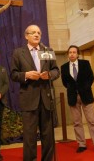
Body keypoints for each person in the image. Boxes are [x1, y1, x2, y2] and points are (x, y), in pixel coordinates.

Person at [10, 25, 60, 161]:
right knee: (29, 137)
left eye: (39, 32)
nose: (37, 35)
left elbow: (56, 70)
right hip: (28, 99)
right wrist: (26, 75)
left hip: (46, 99)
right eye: (33, 33)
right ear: (26, 36)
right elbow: (13, 74)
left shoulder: (48, 50)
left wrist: (49, 74)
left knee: (48, 136)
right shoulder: (18, 52)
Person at [60, 45, 94, 155]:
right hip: (73, 97)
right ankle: (81, 144)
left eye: (74, 52)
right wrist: (73, 90)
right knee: (77, 122)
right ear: (68, 54)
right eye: (70, 52)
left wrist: (84, 88)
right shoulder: (64, 67)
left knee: (92, 121)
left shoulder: (85, 64)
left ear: (77, 54)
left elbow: (91, 77)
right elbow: (64, 82)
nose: (72, 54)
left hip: (86, 95)